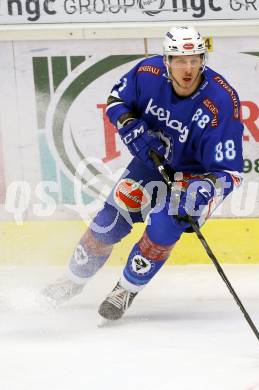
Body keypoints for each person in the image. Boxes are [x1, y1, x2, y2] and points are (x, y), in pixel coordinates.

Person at [41, 26, 244, 322]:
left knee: (166, 223)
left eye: (195, 59)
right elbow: (115, 102)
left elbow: (229, 171)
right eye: (179, 60)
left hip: (194, 178)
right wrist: (128, 124)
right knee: (109, 222)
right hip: (150, 163)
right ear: (166, 61)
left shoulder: (221, 101)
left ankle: (126, 289)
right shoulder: (146, 73)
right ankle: (71, 280)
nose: (188, 68)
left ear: (203, 59)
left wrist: (206, 189)